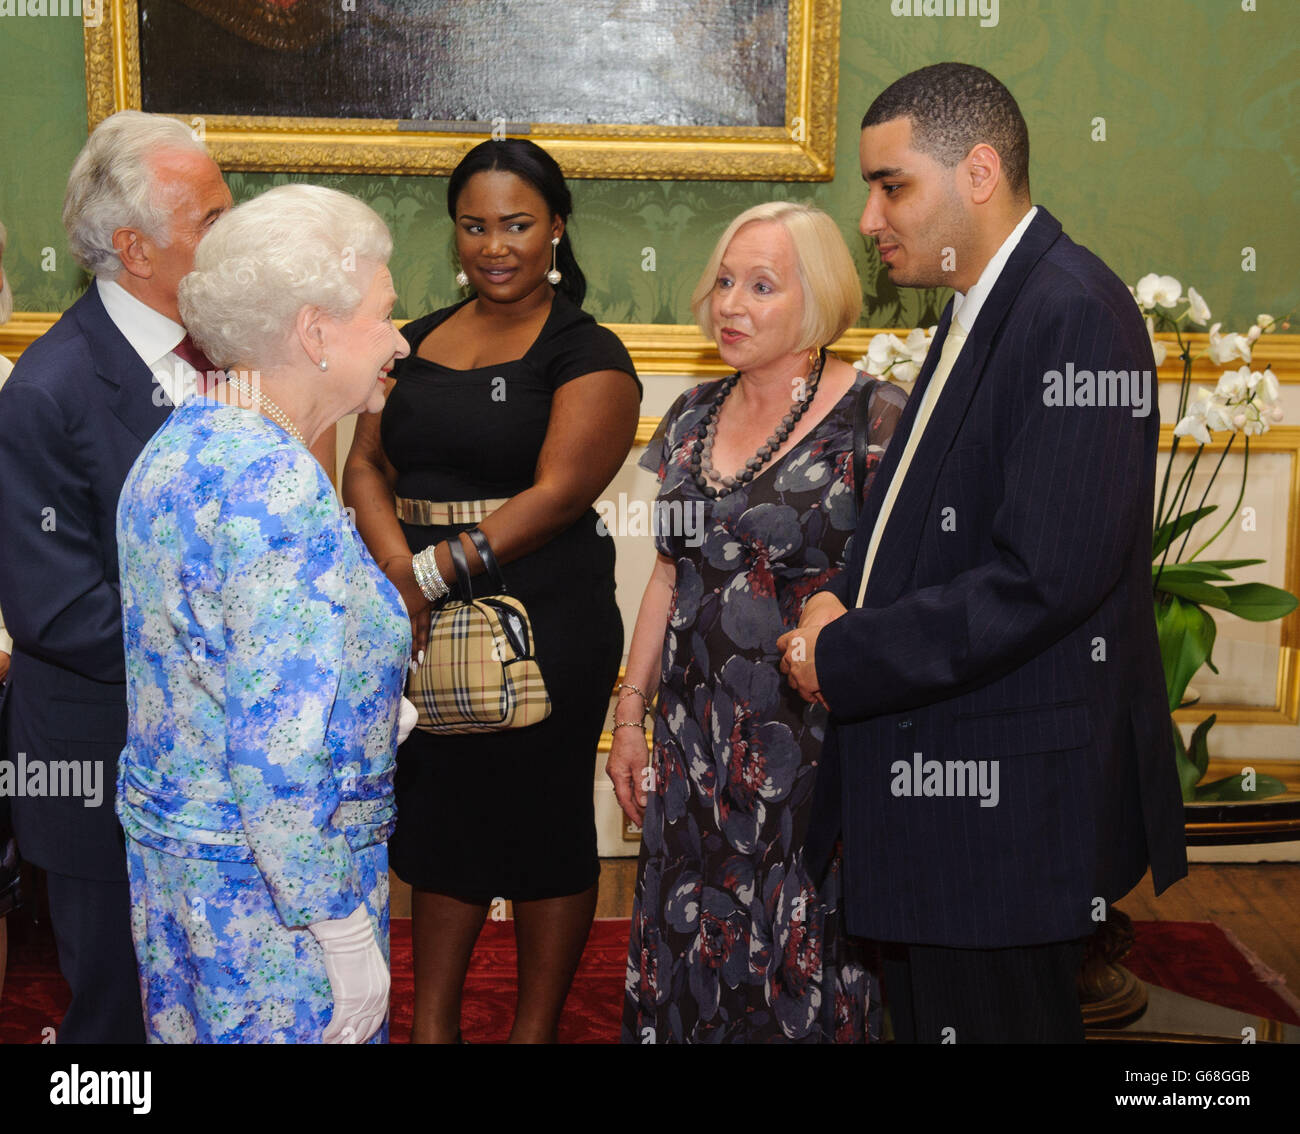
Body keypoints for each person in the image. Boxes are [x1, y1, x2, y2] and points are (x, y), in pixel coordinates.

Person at [779, 63, 1188, 1043]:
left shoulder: (1072, 312)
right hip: (948, 792)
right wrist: (845, 599)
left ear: (977, 170)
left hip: (1002, 811)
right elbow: (924, 516)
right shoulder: (982, 306)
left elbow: (1042, 577)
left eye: (891, 185)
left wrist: (845, 655)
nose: (870, 218)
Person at [344, 138, 641, 1044]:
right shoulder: (414, 339)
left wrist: (431, 573)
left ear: (556, 226)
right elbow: (363, 466)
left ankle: (534, 1031)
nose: (495, 245)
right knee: (439, 817)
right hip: (416, 615)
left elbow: (558, 495)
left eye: (517, 224)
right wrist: (403, 578)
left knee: (545, 820)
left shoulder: (586, 348)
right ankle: (431, 1025)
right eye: (474, 226)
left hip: (545, 614)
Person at [116, 183, 415, 1043]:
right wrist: (344, 929)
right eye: (385, 313)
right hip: (272, 909)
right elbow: (276, 757)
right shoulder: (276, 483)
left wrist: (367, 706)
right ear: (315, 332)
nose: (399, 338)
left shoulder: (187, 437)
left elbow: (203, 664)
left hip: (188, 880)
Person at [609, 202, 908, 1043]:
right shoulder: (690, 414)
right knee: (690, 946)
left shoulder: (879, 419)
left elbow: (903, 583)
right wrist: (629, 718)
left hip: (810, 745)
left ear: (816, 299)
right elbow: (667, 577)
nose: (730, 304)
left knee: (799, 958)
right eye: (726, 282)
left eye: (762, 286)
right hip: (691, 744)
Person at [0, 111, 231, 1044]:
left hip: (215, 776)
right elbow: (60, 611)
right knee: (116, 1027)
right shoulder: (47, 393)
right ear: (135, 247)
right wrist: (240, 662)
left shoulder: (230, 357)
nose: (235, 229)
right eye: (212, 217)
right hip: (101, 771)